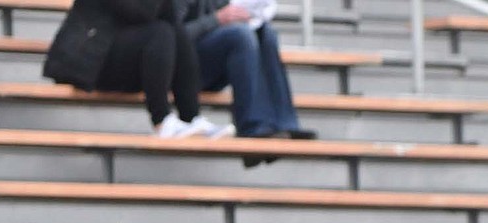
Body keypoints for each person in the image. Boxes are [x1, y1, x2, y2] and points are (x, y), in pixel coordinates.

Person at [43, 0, 233, 138]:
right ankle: (162, 121)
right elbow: (140, 11)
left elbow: (169, 16)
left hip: (114, 56)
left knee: (175, 30)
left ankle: (191, 118)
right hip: (86, 61)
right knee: (160, 32)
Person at [180, 0, 317, 161]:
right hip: (180, 70)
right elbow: (171, 35)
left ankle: (284, 124)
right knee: (240, 34)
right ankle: (252, 128)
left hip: (212, 61)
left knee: (265, 32)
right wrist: (217, 19)